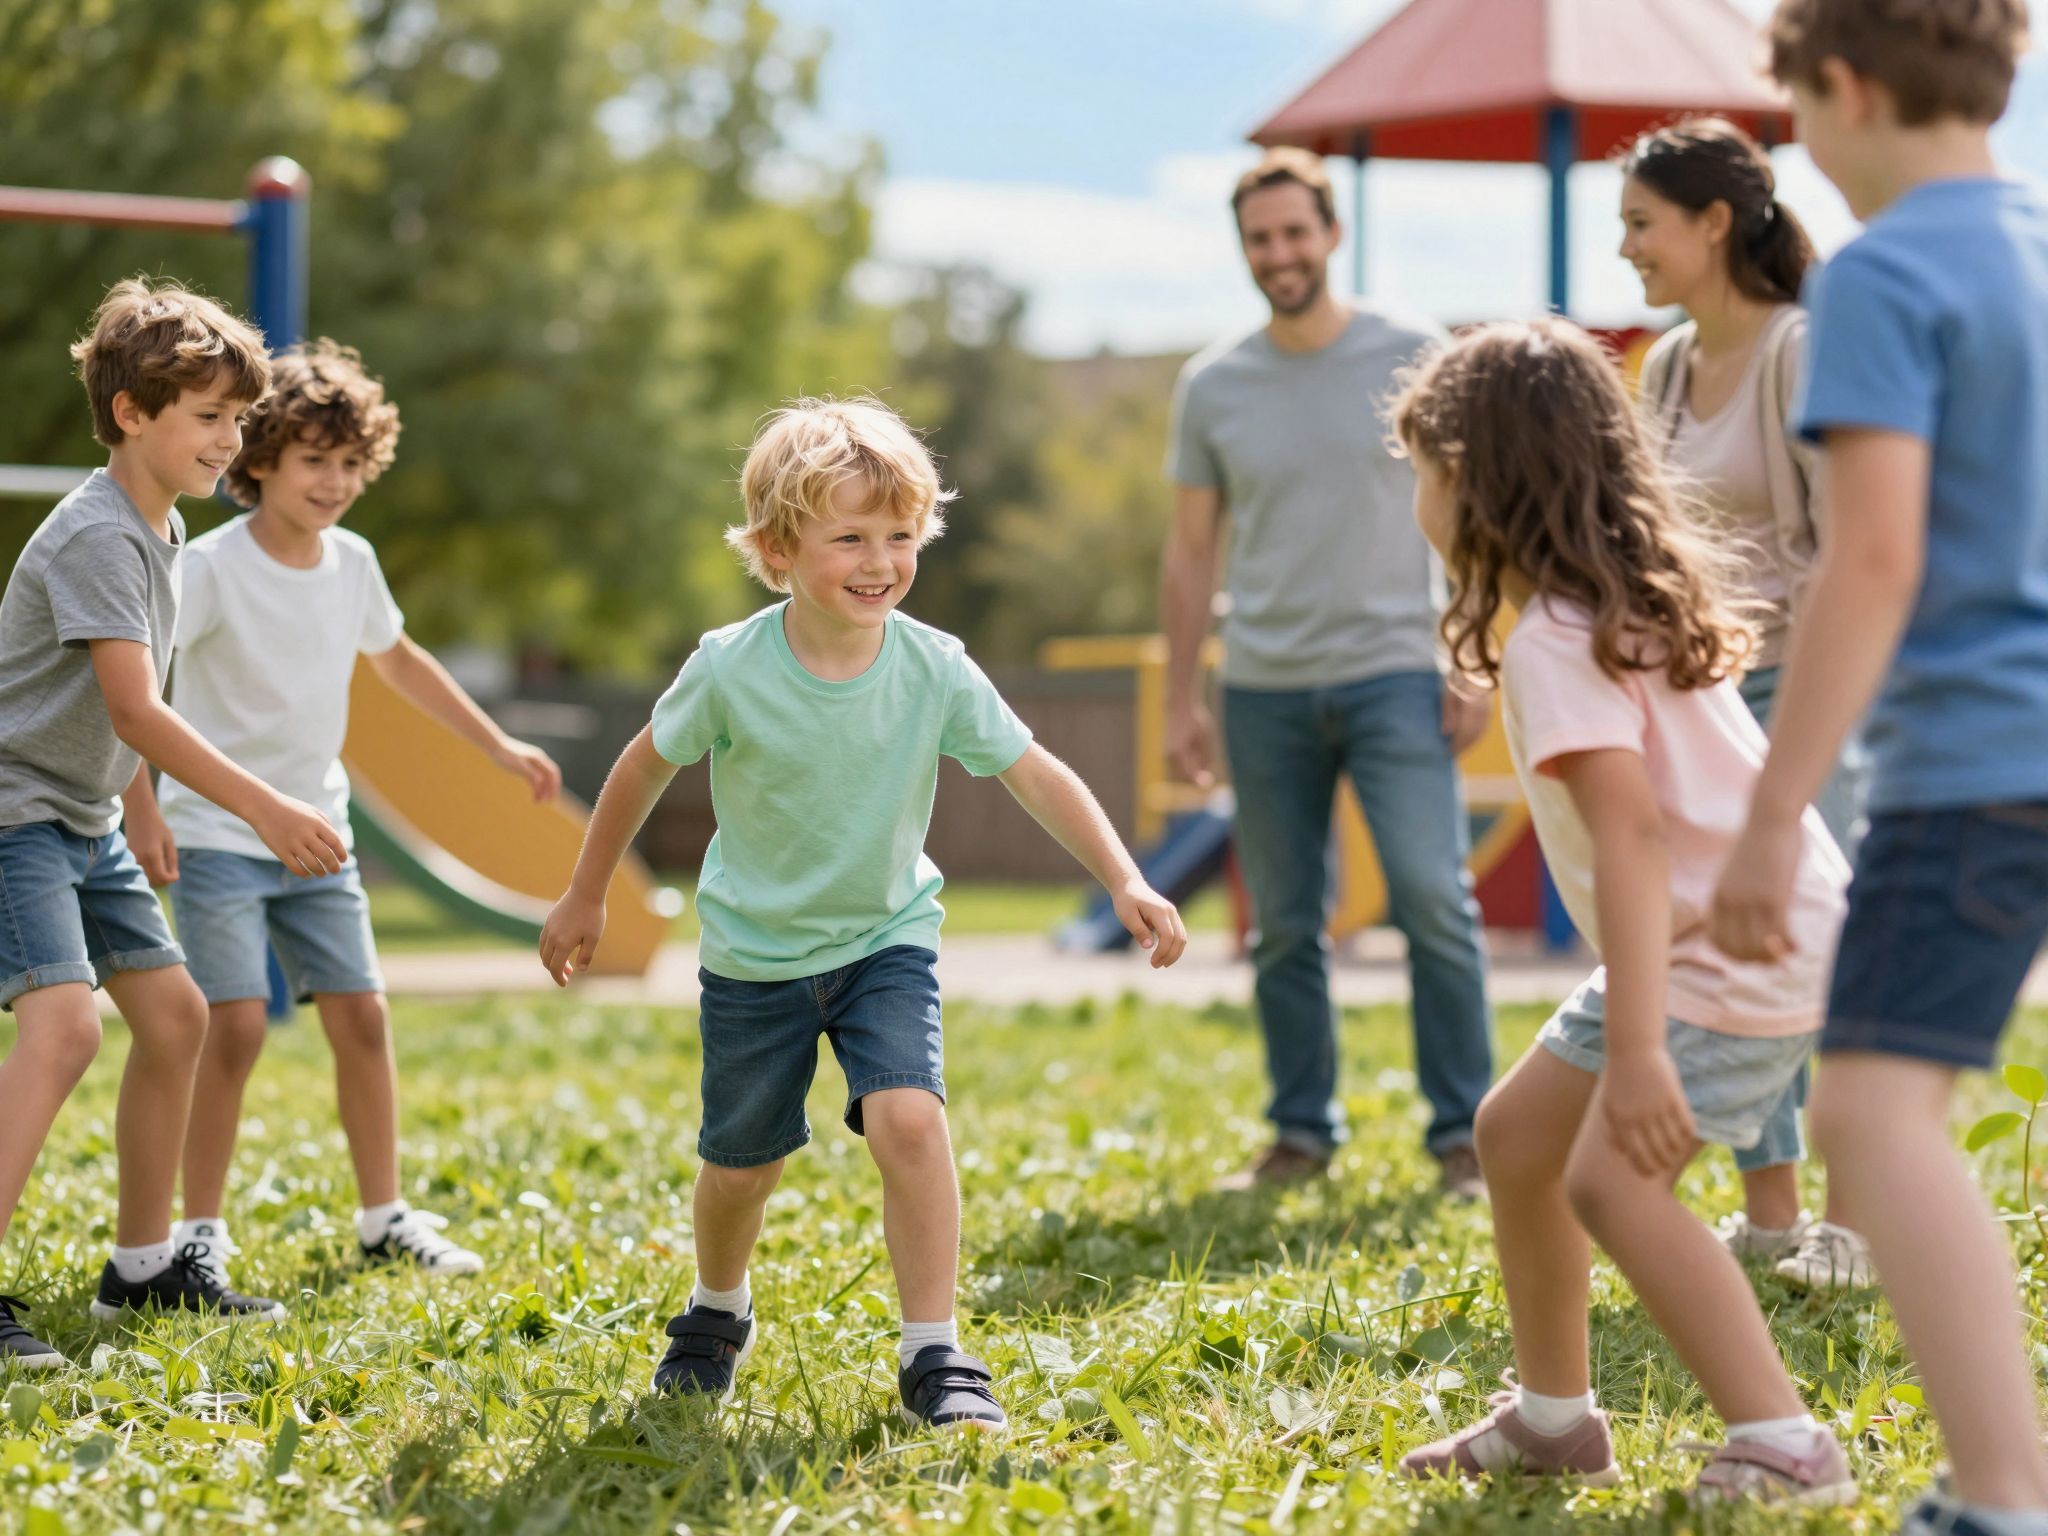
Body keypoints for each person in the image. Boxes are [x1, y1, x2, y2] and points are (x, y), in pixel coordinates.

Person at [539, 397, 1185, 1429]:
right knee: (740, 1168)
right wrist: (585, 891)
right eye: (849, 538)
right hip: (755, 956)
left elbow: (1034, 772)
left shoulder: (933, 666)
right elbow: (640, 767)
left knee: (910, 1122)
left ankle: (935, 1352)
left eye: (899, 535)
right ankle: (716, 1309)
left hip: (886, 939)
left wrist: (1124, 876)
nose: (880, 561)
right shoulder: (730, 666)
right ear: (777, 549)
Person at [1389, 320, 1853, 1501]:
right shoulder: (1604, 604)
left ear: (1469, 478)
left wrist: (1638, 1047)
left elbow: (1633, 837)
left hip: (1733, 951)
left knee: (1610, 1183)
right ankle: (1553, 1420)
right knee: (1516, 1138)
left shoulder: (1557, 639)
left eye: (1420, 471)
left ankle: (1784, 1444)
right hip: (1735, 930)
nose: (1414, 499)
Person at [1712, 2, 2048, 1531]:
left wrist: (1772, 814)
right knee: (1884, 1109)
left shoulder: (1883, 274)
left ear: (1842, 88)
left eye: (1793, 111)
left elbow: (1870, 559)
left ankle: (2003, 1497)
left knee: (1866, 1116)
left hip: (1976, 763)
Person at [118, 340, 562, 1288]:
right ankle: (199, 1230)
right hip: (217, 836)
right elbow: (135, 691)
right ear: (261, 458)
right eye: (315, 459)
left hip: (321, 839)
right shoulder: (212, 567)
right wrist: (139, 805)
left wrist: (497, 745)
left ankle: (384, 1216)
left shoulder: (353, 563)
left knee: (362, 1017)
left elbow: (401, 662)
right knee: (234, 1027)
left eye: (353, 462)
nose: (335, 481)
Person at [0, 280, 349, 1366]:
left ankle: (144, 1268)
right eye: (208, 416)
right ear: (130, 414)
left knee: (176, 1018)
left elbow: (119, 702)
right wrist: (263, 804)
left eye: (238, 418)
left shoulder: (163, 524)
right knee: (66, 1029)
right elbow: (136, 709)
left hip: (84, 815)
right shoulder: (100, 536)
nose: (230, 439)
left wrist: (134, 806)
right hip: (16, 815)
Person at [1160, 147, 1494, 1197]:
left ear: (1331, 233)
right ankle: (1299, 1134)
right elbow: (1190, 551)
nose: (1279, 254)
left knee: (1433, 900)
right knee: (1283, 925)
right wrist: (1181, 697)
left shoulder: (1413, 351)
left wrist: (1470, 653)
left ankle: (1465, 1135)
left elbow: (1469, 512)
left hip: (1397, 672)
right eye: (1259, 239)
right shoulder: (1212, 385)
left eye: (1295, 232)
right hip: (1262, 686)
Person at [1621, 115, 1872, 1289]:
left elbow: (1841, 544)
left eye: (1641, 223)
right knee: (1733, 951)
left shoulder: (1796, 348)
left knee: (1816, 950)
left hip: (1807, 685)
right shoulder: (1666, 365)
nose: (1625, 247)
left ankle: (1855, 1222)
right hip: (1706, 692)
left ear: (1713, 223)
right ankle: (1773, 1221)